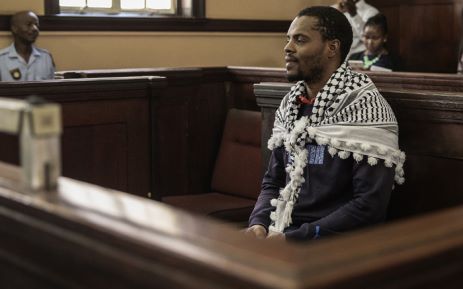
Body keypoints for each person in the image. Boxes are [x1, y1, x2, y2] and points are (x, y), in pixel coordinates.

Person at [245, 6, 405, 241]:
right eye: (288, 39)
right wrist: (258, 222)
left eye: (300, 40)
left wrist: (297, 238)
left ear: (332, 47)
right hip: (283, 233)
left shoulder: (366, 108)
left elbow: (369, 206)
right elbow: (273, 181)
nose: (287, 48)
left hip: (335, 246)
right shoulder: (290, 105)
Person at [0, 11, 55, 81]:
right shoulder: (2, 59)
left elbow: (52, 88)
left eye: (36, 25)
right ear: (14, 29)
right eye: (29, 24)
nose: (35, 29)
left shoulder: (46, 57)